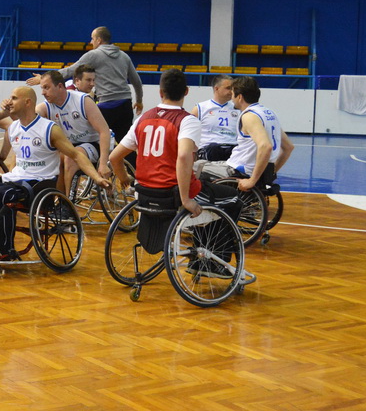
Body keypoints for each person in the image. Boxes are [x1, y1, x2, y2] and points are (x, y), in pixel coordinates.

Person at [109, 69, 246, 277]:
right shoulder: (186, 120)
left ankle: (203, 252)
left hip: (144, 194)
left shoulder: (143, 118)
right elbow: (183, 157)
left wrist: (125, 180)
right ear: (187, 91)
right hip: (172, 195)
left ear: (160, 91)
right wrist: (186, 199)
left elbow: (114, 158)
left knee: (208, 190)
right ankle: (213, 261)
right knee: (233, 199)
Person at [0, 86, 109, 262]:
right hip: (17, 178)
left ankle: (6, 248)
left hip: (40, 182)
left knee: (1, 195)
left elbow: (75, 155)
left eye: (14, 98)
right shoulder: (13, 128)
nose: (9, 101)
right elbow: (6, 156)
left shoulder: (49, 129)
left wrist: (97, 177)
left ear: (28, 102)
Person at [26, 26, 143, 144]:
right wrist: (139, 100)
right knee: (126, 144)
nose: (91, 42)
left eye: (92, 39)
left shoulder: (94, 54)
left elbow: (71, 71)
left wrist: (43, 78)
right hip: (125, 105)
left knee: (95, 140)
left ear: (99, 40)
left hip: (107, 105)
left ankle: (95, 161)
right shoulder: (124, 56)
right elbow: (137, 81)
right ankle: (130, 163)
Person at [200, 76, 295, 192]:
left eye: (233, 93)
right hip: (255, 168)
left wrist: (252, 180)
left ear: (239, 97)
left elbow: (265, 146)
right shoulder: (269, 113)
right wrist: (271, 172)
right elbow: (289, 147)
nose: (232, 98)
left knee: (194, 169)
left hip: (239, 170)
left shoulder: (249, 116)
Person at [36, 69, 110, 194]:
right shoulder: (46, 106)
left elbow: (104, 131)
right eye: (42, 88)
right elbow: (31, 116)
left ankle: (69, 203)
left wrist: (103, 163)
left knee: (72, 157)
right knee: (56, 158)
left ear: (59, 86)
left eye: (46, 88)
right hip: (69, 146)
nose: (43, 93)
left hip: (92, 144)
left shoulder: (83, 100)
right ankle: (60, 201)